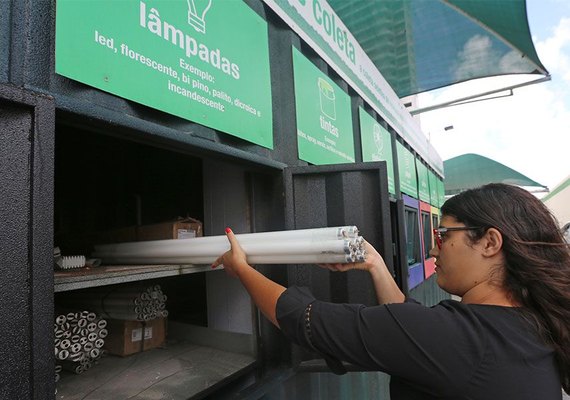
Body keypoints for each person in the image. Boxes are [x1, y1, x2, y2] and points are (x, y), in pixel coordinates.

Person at [212, 183, 570, 399]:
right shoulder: (525, 327)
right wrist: (376, 265)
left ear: (490, 242)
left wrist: (241, 268)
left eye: (443, 236)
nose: (433, 250)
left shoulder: (460, 340)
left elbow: (305, 319)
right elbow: (411, 329)